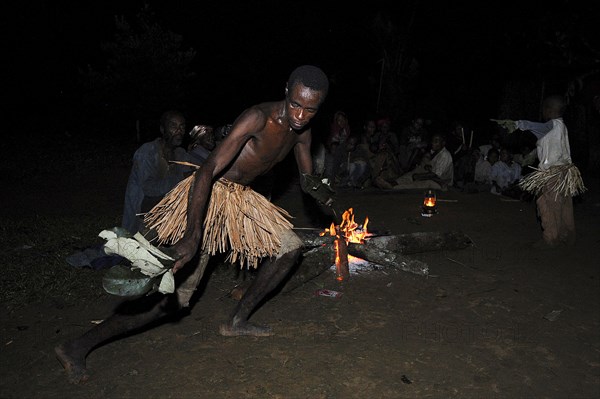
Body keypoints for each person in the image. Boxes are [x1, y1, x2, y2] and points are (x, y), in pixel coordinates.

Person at [55, 65, 333, 384]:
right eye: (296, 104)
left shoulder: (304, 132)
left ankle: (237, 321)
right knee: (172, 298)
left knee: (289, 248)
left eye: (310, 110)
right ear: (287, 90)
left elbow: (308, 178)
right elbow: (207, 170)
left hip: (242, 200)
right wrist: (192, 234)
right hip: (209, 194)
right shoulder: (257, 118)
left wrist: (322, 191)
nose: (300, 115)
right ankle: (76, 346)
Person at [492, 94, 586, 247]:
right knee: (564, 205)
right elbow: (551, 146)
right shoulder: (562, 127)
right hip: (565, 173)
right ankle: (567, 235)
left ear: (549, 110)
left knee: (547, 203)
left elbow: (535, 127)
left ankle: (550, 238)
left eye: (544, 109)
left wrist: (517, 124)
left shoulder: (551, 125)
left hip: (552, 174)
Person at [121, 110, 191, 234]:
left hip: (168, 214)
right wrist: (183, 178)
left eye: (182, 126)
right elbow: (149, 189)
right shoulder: (147, 152)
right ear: (163, 129)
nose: (179, 131)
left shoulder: (181, 154)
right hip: (143, 217)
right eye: (173, 126)